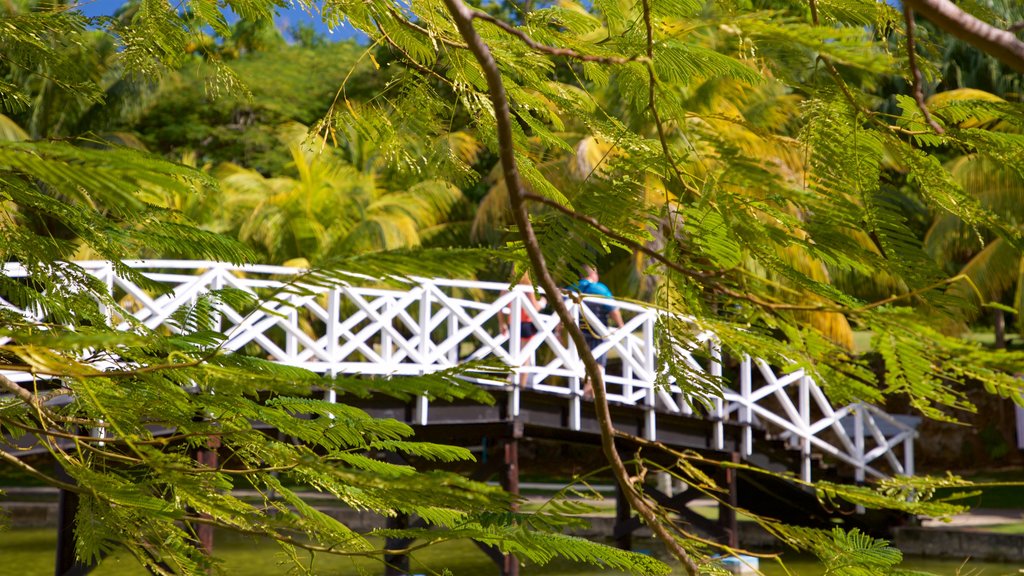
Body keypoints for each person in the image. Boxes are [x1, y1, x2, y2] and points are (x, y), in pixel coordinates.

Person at [566, 265, 624, 399]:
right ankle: (589, 395)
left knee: (583, 364)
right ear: (593, 275)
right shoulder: (600, 288)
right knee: (597, 365)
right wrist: (621, 326)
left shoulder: (573, 288)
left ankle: (588, 393)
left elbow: (562, 307)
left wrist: (559, 329)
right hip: (595, 332)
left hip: (577, 331)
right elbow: (613, 309)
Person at [498, 272, 547, 388]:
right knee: (525, 358)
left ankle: (511, 381)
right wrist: (543, 303)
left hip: (513, 323)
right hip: (526, 324)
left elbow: (499, 306)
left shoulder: (509, 286)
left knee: (515, 355)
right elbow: (535, 307)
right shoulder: (527, 287)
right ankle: (521, 387)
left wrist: (502, 323)